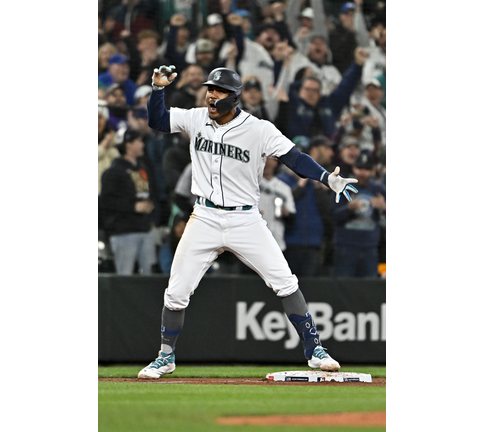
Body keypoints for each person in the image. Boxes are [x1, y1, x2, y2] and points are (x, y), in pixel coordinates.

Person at [138, 64, 359, 379]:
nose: (211, 96)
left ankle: (315, 350)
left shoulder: (258, 129)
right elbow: (157, 120)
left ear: (234, 97)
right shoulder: (196, 117)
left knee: (285, 282)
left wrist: (326, 177)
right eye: (209, 90)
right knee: (176, 292)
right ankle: (165, 356)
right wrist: (158, 90)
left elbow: (294, 158)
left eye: (218, 92)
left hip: (246, 219)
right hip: (204, 216)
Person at [98, 128, 157, 275]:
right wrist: (133, 206)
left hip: (144, 228)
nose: (142, 144)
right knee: (125, 276)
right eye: (138, 141)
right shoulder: (112, 172)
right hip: (123, 231)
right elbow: (106, 202)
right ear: (128, 144)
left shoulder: (142, 168)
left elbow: (148, 193)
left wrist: (150, 205)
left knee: (150, 276)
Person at [278, 136, 336, 277]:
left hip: (313, 244)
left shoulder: (315, 184)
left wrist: (316, 185)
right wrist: (301, 184)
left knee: (310, 288)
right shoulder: (281, 181)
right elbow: (282, 206)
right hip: (288, 243)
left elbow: (327, 210)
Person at [333, 152, 386, 277]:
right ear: (353, 168)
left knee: (368, 290)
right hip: (346, 245)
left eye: (367, 169)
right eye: (360, 168)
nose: (363, 173)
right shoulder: (342, 187)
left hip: (370, 247)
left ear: (373, 170)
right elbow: (334, 217)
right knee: (344, 288)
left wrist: (384, 208)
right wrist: (348, 209)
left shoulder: (379, 189)